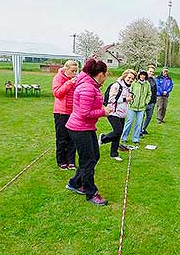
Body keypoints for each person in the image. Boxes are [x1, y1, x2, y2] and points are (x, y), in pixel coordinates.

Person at [65, 59, 112, 206]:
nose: (106, 77)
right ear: (100, 74)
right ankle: (91, 192)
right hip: (80, 128)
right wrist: (104, 112)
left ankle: (74, 183)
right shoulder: (87, 87)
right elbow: (85, 112)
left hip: (86, 127)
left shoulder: (91, 85)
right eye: (106, 74)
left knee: (94, 156)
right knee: (88, 161)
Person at [99, 69, 137, 161]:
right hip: (112, 112)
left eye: (132, 79)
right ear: (124, 76)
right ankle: (103, 138)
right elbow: (111, 100)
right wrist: (125, 99)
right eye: (129, 77)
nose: (130, 80)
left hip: (122, 113)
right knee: (118, 131)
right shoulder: (116, 85)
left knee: (118, 134)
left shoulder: (129, 87)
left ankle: (114, 153)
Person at [52, 60, 78, 170]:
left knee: (72, 138)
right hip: (61, 113)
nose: (75, 73)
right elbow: (57, 93)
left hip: (74, 112)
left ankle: (71, 161)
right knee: (62, 138)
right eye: (73, 71)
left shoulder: (75, 79)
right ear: (66, 69)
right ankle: (61, 161)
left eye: (76, 71)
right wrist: (70, 83)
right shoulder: (58, 78)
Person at [121, 70, 151, 145]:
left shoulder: (147, 84)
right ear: (139, 75)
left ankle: (135, 139)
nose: (142, 76)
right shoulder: (134, 83)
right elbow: (129, 91)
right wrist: (130, 100)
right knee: (129, 122)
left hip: (141, 108)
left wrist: (146, 102)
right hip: (132, 106)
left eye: (144, 75)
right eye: (141, 75)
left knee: (139, 123)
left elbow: (149, 94)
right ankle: (124, 138)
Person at [141, 65, 157, 135]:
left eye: (152, 72)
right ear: (147, 71)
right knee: (141, 117)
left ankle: (144, 129)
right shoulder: (143, 80)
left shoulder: (153, 81)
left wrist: (154, 101)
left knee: (149, 117)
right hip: (144, 102)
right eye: (150, 71)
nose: (151, 73)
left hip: (151, 103)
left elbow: (155, 91)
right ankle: (139, 130)